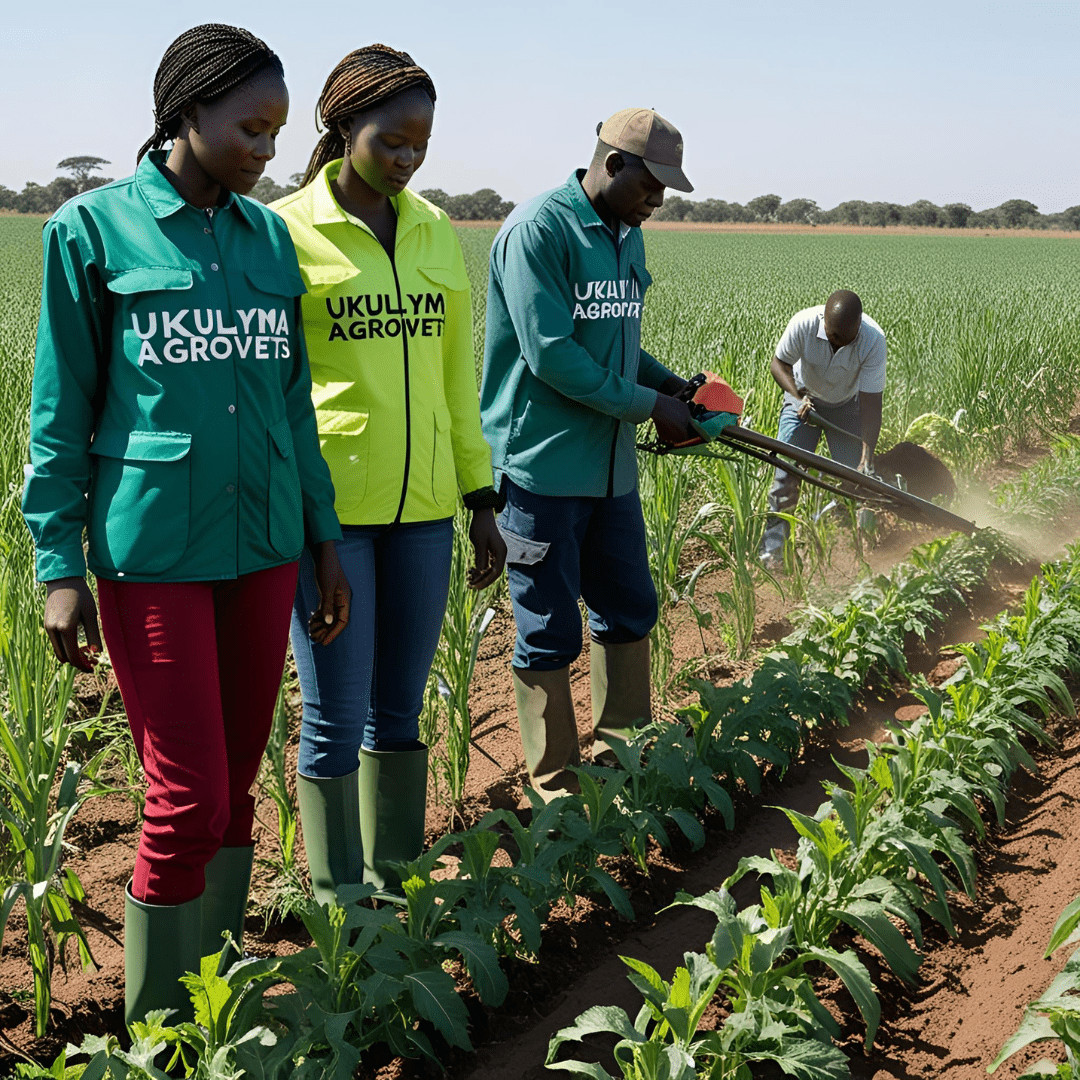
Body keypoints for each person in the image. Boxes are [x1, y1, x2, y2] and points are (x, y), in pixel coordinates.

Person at [21, 24, 350, 1024]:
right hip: (152, 549)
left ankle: (219, 998)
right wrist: (56, 560)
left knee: (238, 780)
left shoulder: (266, 240)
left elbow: (294, 402)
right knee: (183, 792)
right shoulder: (91, 231)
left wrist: (323, 539)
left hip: (262, 547)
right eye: (250, 126)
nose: (266, 150)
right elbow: (60, 407)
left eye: (277, 131)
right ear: (187, 113)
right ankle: (162, 1032)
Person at [271, 45, 505, 901]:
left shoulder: (435, 230)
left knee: (399, 711)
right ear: (341, 127)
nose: (407, 160)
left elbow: (454, 378)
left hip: (425, 513)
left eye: (421, 144)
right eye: (390, 141)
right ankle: (339, 903)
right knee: (334, 717)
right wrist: (310, 522)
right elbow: (281, 388)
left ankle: (396, 883)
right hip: (330, 517)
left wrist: (480, 498)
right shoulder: (285, 231)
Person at [480, 108, 694, 798]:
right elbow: (554, 358)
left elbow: (617, 339)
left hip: (609, 468)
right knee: (547, 628)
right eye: (651, 185)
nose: (658, 201)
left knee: (629, 605)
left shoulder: (625, 236)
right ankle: (555, 781)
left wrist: (670, 386)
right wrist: (649, 407)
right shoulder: (538, 231)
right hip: (542, 465)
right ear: (611, 164)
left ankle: (626, 752)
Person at [758, 290, 886, 568]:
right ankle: (774, 552)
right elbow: (779, 363)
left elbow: (871, 403)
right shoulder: (803, 324)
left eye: (845, 338)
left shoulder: (873, 340)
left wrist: (867, 454)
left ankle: (847, 552)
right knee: (787, 472)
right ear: (824, 322)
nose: (837, 343)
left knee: (854, 478)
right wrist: (797, 395)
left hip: (847, 406)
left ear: (858, 328)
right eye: (832, 336)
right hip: (804, 400)